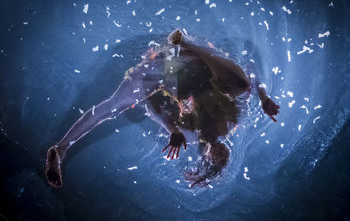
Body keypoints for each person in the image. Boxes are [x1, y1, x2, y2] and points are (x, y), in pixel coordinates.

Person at [45, 29, 279, 188]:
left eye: (215, 162)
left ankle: (61, 148)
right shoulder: (232, 123)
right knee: (242, 85)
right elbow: (248, 73)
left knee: (115, 107)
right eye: (223, 160)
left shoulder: (188, 134)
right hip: (192, 64)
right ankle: (186, 44)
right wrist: (264, 97)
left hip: (169, 73)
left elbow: (150, 105)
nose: (221, 157)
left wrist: (171, 130)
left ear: (204, 156)